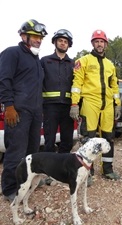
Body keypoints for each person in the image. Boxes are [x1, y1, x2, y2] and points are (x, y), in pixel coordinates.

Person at [0, 19, 48, 202]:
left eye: (40, 37)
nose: (38, 40)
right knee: (16, 152)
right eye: (35, 36)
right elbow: (3, 80)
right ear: (23, 36)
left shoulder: (36, 60)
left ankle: (26, 181)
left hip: (35, 112)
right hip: (18, 111)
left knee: (32, 151)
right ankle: (10, 189)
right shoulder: (12, 53)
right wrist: (9, 106)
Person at [69, 29, 121, 181]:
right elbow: (77, 83)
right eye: (97, 41)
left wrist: (117, 104)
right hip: (90, 102)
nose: (99, 44)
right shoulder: (83, 61)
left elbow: (114, 86)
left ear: (106, 44)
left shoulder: (110, 64)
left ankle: (108, 169)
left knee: (108, 138)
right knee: (88, 138)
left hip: (108, 105)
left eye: (102, 42)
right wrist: (74, 103)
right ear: (92, 43)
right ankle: (87, 172)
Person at [41, 29, 74, 154]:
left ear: (69, 45)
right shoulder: (45, 61)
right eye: (60, 40)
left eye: (65, 41)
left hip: (68, 107)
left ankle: (62, 168)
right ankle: (49, 170)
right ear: (55, 42)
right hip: (50, 107)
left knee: (67, 141)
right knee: (49, 140)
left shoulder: (73, 63)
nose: (63, 43)